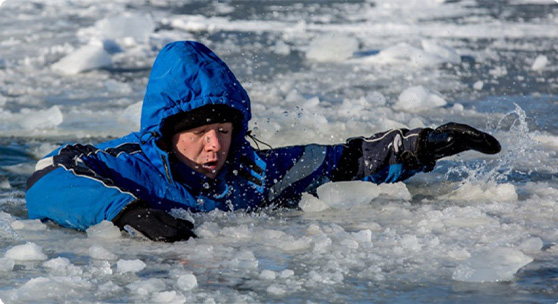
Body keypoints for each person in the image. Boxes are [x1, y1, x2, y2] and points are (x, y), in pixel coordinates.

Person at [25, 41, 501, 242]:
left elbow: (344, 161)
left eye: (225, 132)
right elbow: (46, 178)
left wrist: (421, 145)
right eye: (198, 134)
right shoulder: (127, 165)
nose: (215, 147)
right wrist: (128, 212)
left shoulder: (252, 169)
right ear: (167, 134)